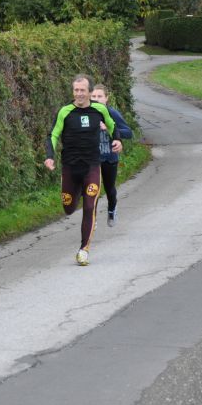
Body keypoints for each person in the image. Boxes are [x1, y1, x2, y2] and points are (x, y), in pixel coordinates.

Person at [44, 74, 123, 266]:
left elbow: (114, 127)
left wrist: (117, 140)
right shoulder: (65, 111)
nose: (79, 94)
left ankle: (83, 250)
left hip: (92, 167)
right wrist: (49, 156)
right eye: (76, 90)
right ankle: (76, 191)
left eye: (82, 90)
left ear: (89, 92)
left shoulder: (100, 109)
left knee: (89, 207)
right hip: (70, 168)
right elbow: (53, 135)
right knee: (68, 208)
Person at [90, 83, 133, 227]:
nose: (96, 99)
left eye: (99, 96)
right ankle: (92, 219)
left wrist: (109, 128)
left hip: (109, 158)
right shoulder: (85, 114)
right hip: (92, 159)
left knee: (110, 190)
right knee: (92, 190)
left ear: (106, 98)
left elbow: (128, 132)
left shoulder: (112, 113)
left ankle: (112, 209)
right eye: (93, 96)